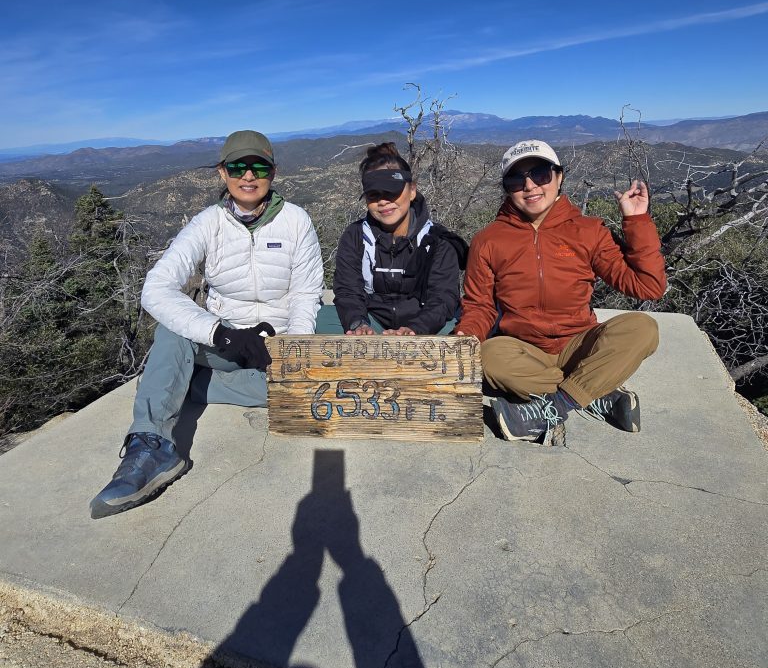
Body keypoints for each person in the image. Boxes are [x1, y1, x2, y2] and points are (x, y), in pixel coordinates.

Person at [90, 130, 323, 518]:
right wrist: (222, 334)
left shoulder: (297, 222)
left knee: (301, 390)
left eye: (258, 167)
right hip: (223, 339)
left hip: (275, 344)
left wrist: (291, 351)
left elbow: (305, 293)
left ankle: (183, 384)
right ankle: (151, 446)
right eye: (238, 166)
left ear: (272, 172)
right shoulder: (207, 224)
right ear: (222, 172)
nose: (248, 176)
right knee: (172, 328)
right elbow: (156, 289)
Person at [454, 139, 666, 441]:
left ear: (559, 176)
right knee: (487, 356)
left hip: (580, 345)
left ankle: (552, 406)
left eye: (540, 174)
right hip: (525, 350)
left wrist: (637, 220)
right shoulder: (488, 240)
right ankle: (596, 391)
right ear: (507, 188)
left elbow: (648, 286)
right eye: (516, 180)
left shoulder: (588, 231)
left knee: (642, 328)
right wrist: (466, 337)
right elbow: (480, 305)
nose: (529, 186)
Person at [317, 142, 463, 337]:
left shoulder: (438, 240)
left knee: (456, 329)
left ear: (412, 190)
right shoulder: (355, 236)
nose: (383, 201)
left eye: (391, 192)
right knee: (320, 320)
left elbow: (443, 298)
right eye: (373, 195)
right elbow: (348, 290)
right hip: (372, 320)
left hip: (425, 323)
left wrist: (416, 329)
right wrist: (358, 324)